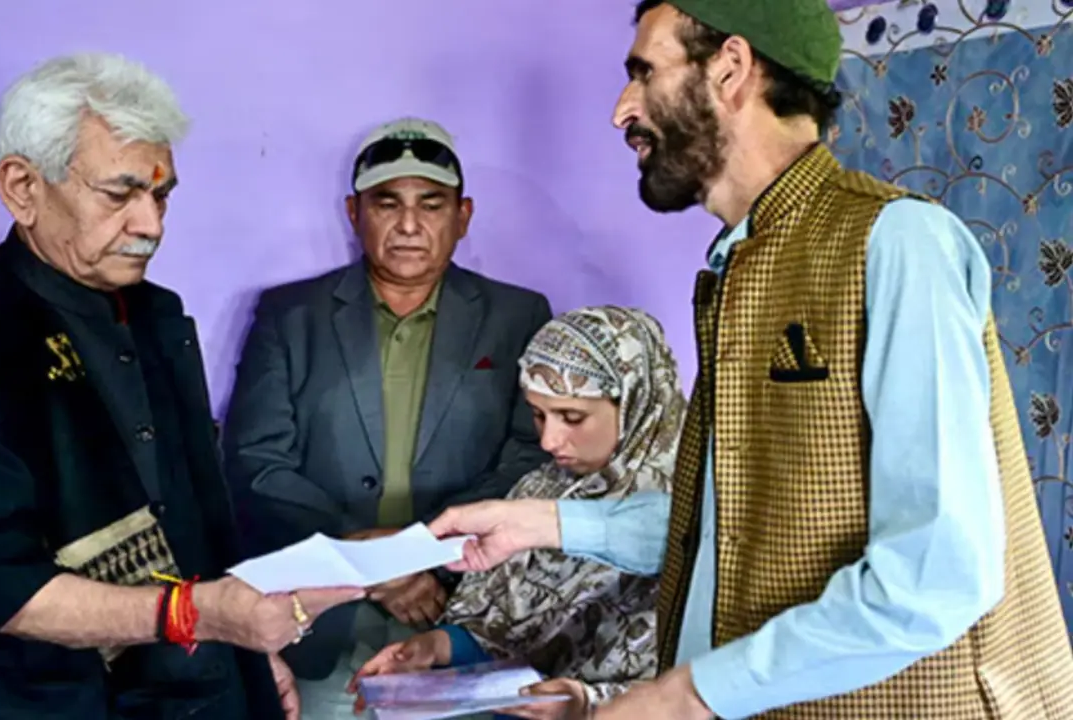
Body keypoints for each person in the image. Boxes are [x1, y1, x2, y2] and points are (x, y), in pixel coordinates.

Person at [428, 1, 1073, 718]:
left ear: (730, 68)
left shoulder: (898, 244)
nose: (621, 111)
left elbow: (936, 573)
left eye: (644, 72)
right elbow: (729, 520)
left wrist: (686, 696)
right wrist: (540, 524)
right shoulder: (738, 269)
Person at [0, 52, 361, 720]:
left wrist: (246, 654)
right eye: (118, 194)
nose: (150, 225)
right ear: (21, 187)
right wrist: (200, 616)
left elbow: (193, 522)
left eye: (161, 195)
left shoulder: (154, 316)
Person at [223, 117, 552, 717]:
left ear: (464, 215)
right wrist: (368, 559)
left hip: (456, 615)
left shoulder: (518, 316)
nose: (408, 225)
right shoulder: (290, 315)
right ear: (354, 213)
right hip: (317, 625)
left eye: (431, 204)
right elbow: (255, 463)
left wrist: (419, 556)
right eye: (386, 203)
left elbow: (529, 458)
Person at [349, 306, 687, 720]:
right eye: (538, 414)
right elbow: (505, 633)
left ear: (638, 399)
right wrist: (433, 649)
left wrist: (585, 704)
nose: (548, 440)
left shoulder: (701, 513)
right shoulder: (540, 487)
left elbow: (702, 682)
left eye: (572, 417)